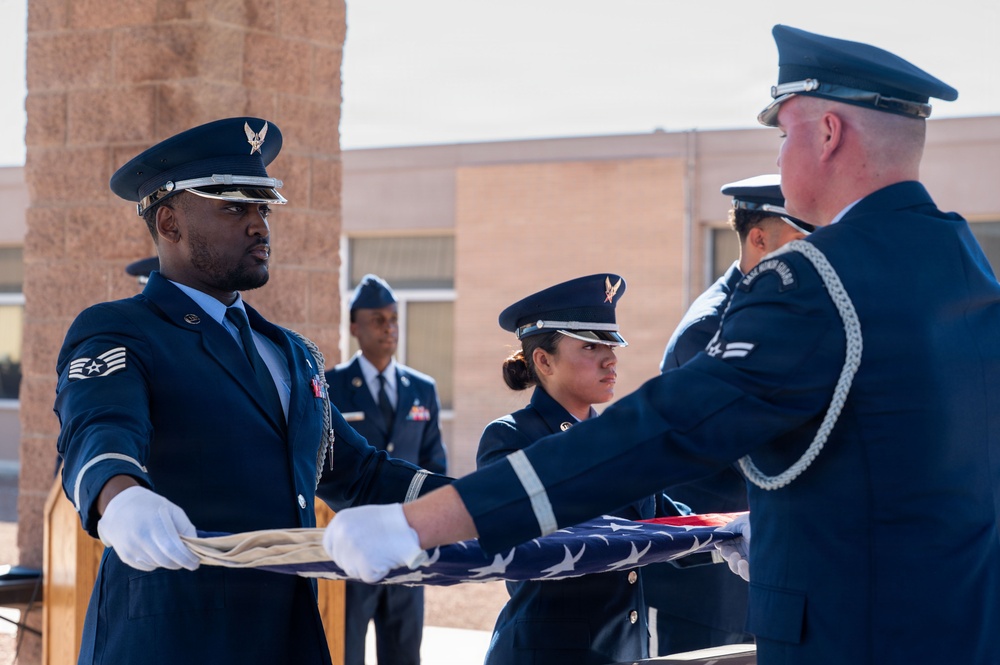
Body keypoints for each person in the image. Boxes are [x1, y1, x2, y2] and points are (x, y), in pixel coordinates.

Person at [323, 25, 1000, 665]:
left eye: (784, 133)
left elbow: (658, 431)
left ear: (828, 133)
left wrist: (422, 522)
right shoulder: (964, 265)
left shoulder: (817, 279)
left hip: (854, 635)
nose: (778, 156)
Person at [53, 117, 450, 665]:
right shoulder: (120, 328)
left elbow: (359, 475)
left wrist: (490, 502)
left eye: (263, 208)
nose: (259, 225)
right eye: (234, 207)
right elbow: (98, 426)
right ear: (169, 221)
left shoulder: (290, 352)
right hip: (173, 641)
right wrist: (119, 497)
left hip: (287, 637)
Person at [645, 175, 811, 655]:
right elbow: (755, 445)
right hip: (712, 583)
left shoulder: (774, 312)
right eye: (801, 240)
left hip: (758, 567)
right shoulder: (712, 327)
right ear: (758, 238)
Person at [477, 273, 665, 664]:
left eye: (612, 344)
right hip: (548, 654)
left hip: (624, 650)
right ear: (544, 360)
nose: (610, 358)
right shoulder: (512, 438)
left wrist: (735, 530)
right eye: (590, 347)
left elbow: (666, 519)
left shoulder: (621, 438)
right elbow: (526, 544)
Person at [326, 273, 447, 665]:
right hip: (353, 550)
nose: (389, 327)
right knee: (347, 653)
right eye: (377, 319)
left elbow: (432, 463)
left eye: (393, 318)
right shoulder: (332, 387)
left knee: (404, 653)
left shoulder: (421, 388)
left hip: (407, 544)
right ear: (354, 326)